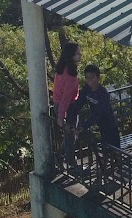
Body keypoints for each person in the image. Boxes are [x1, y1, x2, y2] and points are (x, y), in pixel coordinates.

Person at [68, 63, 120, 155]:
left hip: (109, 124)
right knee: (105, 151)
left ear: (98, 77)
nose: (89, 80)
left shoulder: (103, 94)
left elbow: (98, 114)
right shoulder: (86, 90)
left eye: (92, 77)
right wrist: (70, 120)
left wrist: (82, 127)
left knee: (115, 151)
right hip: (99, 125)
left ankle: (117, 165)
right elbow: (78, 105)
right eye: (87, 78)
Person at [51, 37, 81, 170]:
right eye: (77, 53)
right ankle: (70, 162)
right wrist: (61, 116)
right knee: (71, 134)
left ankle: (61, 156)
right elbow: (67, 97)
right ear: (71, 56)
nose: (80, 55)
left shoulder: (60, 70)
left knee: (68, 134)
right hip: (68, 107)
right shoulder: (71, 75)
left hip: (58, 104)